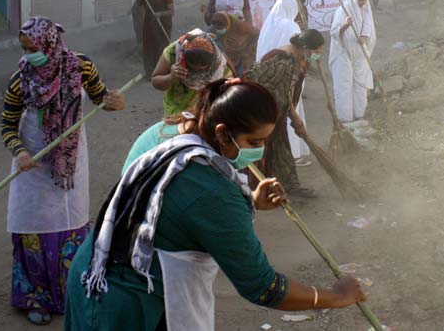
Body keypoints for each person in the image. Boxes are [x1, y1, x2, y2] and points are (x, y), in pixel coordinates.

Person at [65, 78, 366, 330]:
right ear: (222, 133)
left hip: (102, 268)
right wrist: (334, 297)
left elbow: (181, 212)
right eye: (253, 142)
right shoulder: (213, 193)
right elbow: (262, 286)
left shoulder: (184, 138)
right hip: (120, 301)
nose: (261, 153)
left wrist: (250, 202)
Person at [1, 16, 125, 325]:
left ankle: (72, 293)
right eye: (24, 48)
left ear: (50, 43)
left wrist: (114, 101)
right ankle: (36, 296)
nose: (28, 54)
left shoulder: (81, 67)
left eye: (33, 48)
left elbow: (100, 98)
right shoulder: (20, 78)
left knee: (69, 222)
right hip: (33, 162)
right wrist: (19, 152)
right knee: (33, 224)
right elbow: (7, 125)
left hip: (70, 161)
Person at [246, 29, 325, 197]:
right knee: (260, 150)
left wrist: (293, 117)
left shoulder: (298, 57)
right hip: (263, 113)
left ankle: (289, 185)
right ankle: (254, 190)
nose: (317, 56)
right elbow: (277, 95)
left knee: (281, 148)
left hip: (276, 112)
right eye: (316, 52)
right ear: (305, 47)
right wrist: (295, 119)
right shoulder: (284, 62)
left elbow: (285, 94)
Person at [255, 0, 311, 166]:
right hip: (287, 77)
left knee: (274, 115)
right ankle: (293, 154)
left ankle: (275, 155)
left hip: (268, 77)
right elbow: (298, 52)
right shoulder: (290, 25)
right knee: (290, 112)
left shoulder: (269, 23)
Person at [151, 30, 233, 118]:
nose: (197, 68)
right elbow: (155, 81)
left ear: (212, 63)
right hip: (175, 111)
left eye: (202, 68)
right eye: (192, 66)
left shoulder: (221, 66)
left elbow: (230, 96)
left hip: (205, 114)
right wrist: (170, 77)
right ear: (183, 57)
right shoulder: (173, 52)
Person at [329, 0, 377, 122]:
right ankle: (345, 118)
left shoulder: (365, 8)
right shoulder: (342, 10)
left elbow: (368, 25)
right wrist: (346, 25)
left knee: (360, 84)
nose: (363, 2)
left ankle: (359, 114)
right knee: (344, 85)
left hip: (359, 52)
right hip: (343, 52)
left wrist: (364, 37)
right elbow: (334, 32)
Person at [134, 0, 173, 76]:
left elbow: (171, 11)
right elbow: (139, 3)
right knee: (148, 48)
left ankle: (161, 71)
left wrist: (161, 14)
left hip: (163, 25)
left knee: (161, 48)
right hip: (149, 25)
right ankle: (149, 72)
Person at [207, 11, 259, 76]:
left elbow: (257, 33)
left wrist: (251, 47)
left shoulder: (240, 26)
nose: (218, 30)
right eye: (216, 28)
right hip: (229, 55)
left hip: (244, 51)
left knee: (247, 71)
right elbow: (206, 36)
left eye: (221, 28)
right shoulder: (214, 26)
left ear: (227, 24)